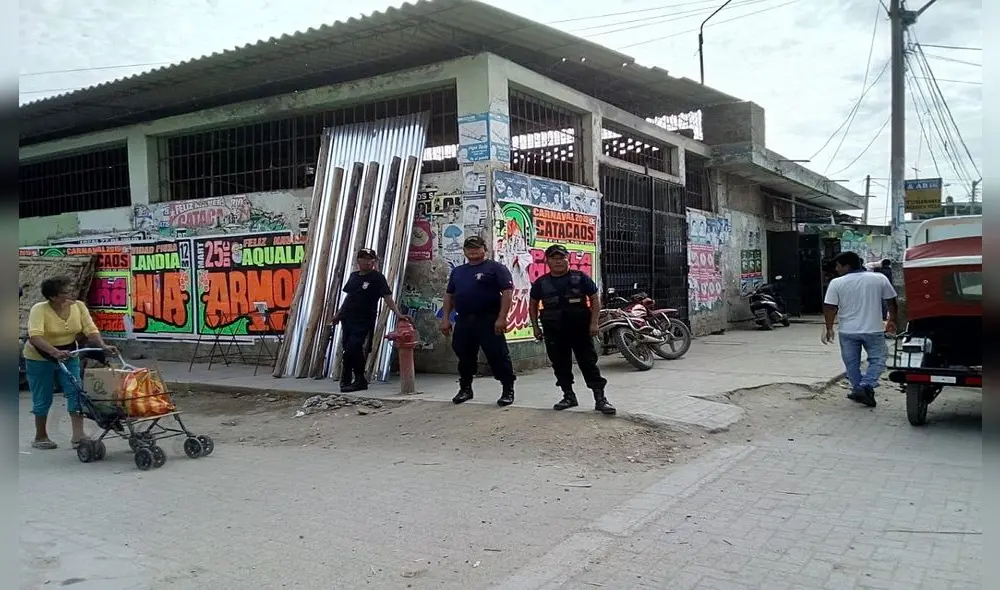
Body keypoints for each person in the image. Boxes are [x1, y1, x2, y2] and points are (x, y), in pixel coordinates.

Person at [23, 276, 118, 450]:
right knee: (43, 397)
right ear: (53, 297)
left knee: (76, 392)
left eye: (71, 291)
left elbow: (90, 330)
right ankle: (40, 436)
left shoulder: (79, 306)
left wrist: (103, 346)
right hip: (39, 356)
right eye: (66, 292)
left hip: (69, 354)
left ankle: (78, 435)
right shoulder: (39, 309)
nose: (71, 295)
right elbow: (35, 336)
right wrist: (54, 352)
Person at [529, 244, 615, 415]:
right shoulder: (541, 282)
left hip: (580, 329)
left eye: (562, 257)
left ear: (568, 259)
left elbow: (595, 299)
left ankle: (600, 399)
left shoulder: (580, 277)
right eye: (554, 258)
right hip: (554, 331)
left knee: (588, 363)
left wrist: (594, 323)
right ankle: (568, 396)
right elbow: (532, 304)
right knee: (560, 364)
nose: (558, 261)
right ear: (547, 261)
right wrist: (535, 327)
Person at [440, 235, 516, 406]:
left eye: (477, 247)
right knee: (464, 356)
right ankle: (465, 389)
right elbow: (449, 295)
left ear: (484, 249)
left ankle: (507, 389)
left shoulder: (496, 268)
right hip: (464, 321)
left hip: (489, 320)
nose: (473, 251)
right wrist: (445, 319)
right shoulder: (458, 271)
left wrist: (502, 318)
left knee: (498, 355)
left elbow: (507, 293)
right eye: (469, 248)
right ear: (464, 251)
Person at [821, 251, 898, 408]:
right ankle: (865, 388)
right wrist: (892, 320)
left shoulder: (836, 283)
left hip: (847, 331)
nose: (836, 269)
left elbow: (830, 307)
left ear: (847, 266)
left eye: (838, 266)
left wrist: (829, 328)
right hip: (873, 329)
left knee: (851, 364)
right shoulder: (879, 278)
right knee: (879, 359)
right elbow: (892, 302)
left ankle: (860, 389)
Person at [331, 248, 405, 393]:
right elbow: (349, 297)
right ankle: (347, 379)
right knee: (348, 349)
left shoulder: (377, 278)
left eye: (371, 259)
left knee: (353, 347)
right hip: (348, 318)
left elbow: (387, 298)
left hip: (364, 319)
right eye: (364, 259)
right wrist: (338, 315)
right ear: (358, 260)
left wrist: (398, 314)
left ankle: (359, 379)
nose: (367, 262)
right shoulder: (354, 276)